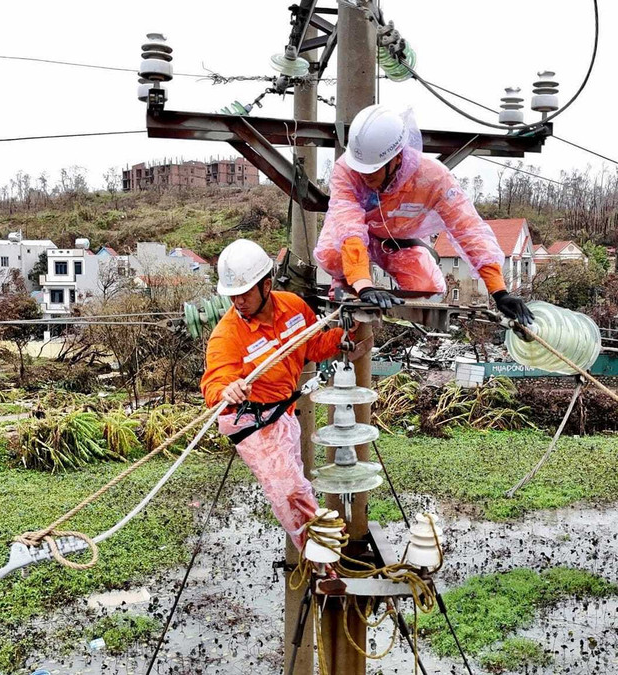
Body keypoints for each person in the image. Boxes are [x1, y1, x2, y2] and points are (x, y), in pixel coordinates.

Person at [314, 104, 533, 325]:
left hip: (395, 242)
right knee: (333, 256)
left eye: (372, 170)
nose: (364, 175)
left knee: (426, 288)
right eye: (360, 169)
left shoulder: (432, 177)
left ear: (397, 158)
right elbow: (348, 226)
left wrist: (499, 291)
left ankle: (377, 299)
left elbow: (468, 229)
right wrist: (363, 285)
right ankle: (345, 282)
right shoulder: (346, 170)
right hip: (351, 239)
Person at [201, 239, 351, 550]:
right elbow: (215, 380)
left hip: (283, 414)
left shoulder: (293, 308)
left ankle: (318, 554)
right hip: (249, 420)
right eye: (232, 296)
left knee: (296, 483)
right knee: (289, 491)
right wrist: (227, 389)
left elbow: (314, 347)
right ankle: (321, 553)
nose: (238, 302)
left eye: (244, 293)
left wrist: (347, 335)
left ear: (266, 285)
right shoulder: (227, 335)